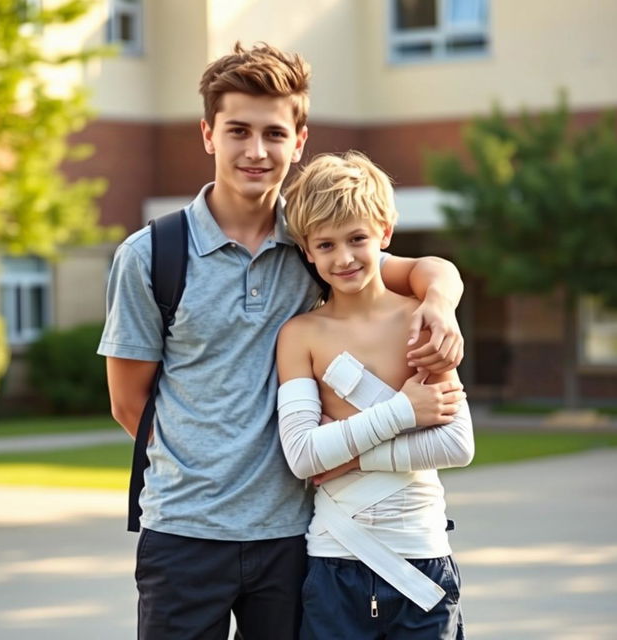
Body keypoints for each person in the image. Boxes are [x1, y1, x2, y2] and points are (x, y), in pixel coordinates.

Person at [98, 43, 466, 640]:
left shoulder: (317, 246)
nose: (256, 151)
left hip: (294, 537)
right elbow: (127, 404)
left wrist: (442, 306)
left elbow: (424, 269)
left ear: (298, 142)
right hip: (186, 533)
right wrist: (208, 475)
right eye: (238, 130)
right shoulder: (150, 256)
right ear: (208, 134)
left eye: (274, 133)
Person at [277, 151, 474, 639]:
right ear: (307, 250)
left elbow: (456, 445)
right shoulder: (300, 335)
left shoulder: (421, 320)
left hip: (421, 558)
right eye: (326, 244)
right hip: (334, 560)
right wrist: (404, 410)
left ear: (385, 233)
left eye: (357, 238)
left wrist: (343, 457)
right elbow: (302, 456)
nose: (343, 257)